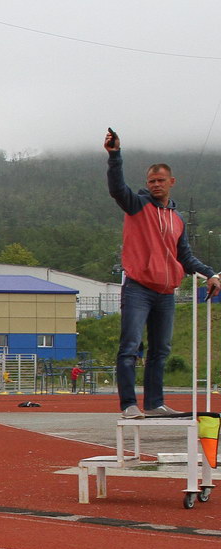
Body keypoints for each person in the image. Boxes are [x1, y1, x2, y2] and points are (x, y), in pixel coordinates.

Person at [105, 128, 220, 419]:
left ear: (171, 182)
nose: (156, 184)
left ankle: (155, 404)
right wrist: (115, 156)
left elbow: (185, 256)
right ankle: (129, 404)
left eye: (160, 180)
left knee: (160, 351)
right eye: (151, 181)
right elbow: (118, 189)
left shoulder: (177, 219)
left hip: (166, 292)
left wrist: (210, 274)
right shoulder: (137, 205)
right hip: (138, 288)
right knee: (130, 346)